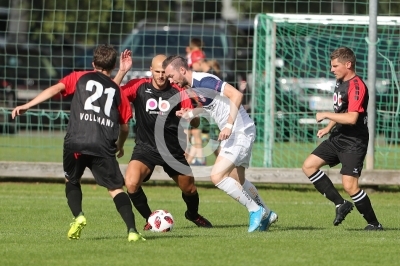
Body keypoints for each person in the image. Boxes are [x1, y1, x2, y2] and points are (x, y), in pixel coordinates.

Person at [11, 45, 145, 242]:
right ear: (114, 65)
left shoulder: (79, 77)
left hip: (76, 141)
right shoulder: (118, 91)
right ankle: (132, 231)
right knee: (115, 189)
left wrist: (27, 105)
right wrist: (121, 145)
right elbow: (124, 127)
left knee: (72, 180)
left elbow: (56, 88)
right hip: (102, 144)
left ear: (93, 64)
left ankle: (79, 215)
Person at [162, 55, 278, 232]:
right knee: (237, 180)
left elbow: (236, 95)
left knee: (217, 176)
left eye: (171, 76)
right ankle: (267, 213)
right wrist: (192, 113)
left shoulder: (205, 80)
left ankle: (255, 210)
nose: (170, 80)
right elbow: (214, 106)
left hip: (239, 131)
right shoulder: (192, 88)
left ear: (182, 70)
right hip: (237, 132)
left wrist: (229, 125)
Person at [113, 53, 212, 230]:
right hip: (145, 148)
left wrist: (190, 117)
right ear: (151, 70)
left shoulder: (178, 90)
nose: (160, 76)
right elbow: (111, 92)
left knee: (189, 189)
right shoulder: (139, 86)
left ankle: (193, 215)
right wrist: (121, 72)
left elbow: (196, 121)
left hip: (171, 150)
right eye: (156, 71)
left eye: (163, 72)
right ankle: (150, 219)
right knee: (131, 183)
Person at [301, 47, 383, 230]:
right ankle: (340, 204)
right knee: (308, 166)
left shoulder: (357, 86)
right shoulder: (340, 82)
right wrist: (328, 127)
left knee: (350, 185)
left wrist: (325, 114)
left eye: (335, 66)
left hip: (354, 141)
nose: (332, 69)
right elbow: (341, 112)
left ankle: (374, 224)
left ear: (348, 64)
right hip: (338, 136)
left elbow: (352, 118)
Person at [189, 50, 222, 158]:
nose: (192, 68)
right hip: (207, 112)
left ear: (198, 62)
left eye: (192, 65)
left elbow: (206, 99)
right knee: (209, 142)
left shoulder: (207, 77)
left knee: (213, 144)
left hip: (212, 113)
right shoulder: (208, 74)